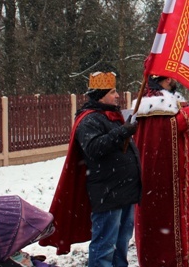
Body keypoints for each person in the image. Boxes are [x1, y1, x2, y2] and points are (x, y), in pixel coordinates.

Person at [40, 72, 141, 267]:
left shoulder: (112, 116)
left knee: (121, 244)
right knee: (105, 246)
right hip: (108, 193)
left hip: (125, 191)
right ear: (101, 94)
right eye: (113, 92)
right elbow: (94, 148)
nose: (117, 95)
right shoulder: (89, 120)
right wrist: (123, 131)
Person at [132, 75, 189, 267]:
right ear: (165, 79)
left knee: (181, 211)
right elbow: (167, 130)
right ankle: (173, 256)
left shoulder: (168, 101)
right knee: (165, 217)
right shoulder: (152, 105)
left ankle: (188, 252)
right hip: (163, 174)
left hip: (178, 171)